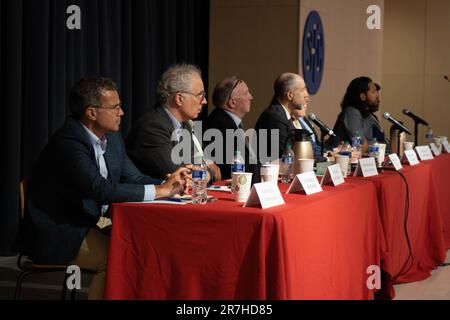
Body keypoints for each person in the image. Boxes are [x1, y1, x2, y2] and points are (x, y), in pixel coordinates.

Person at [21, 77, 189, 300]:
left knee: (147, 247)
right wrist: (162, 192)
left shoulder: (112, 136)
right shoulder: (69, 142)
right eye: (115, 107)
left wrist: (168, 183)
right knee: (115, 260)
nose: (122, 113)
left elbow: (132, 177)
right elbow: (100, 189)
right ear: (91, 113)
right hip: (59, 231)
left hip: (89, 223)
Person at [126, 63, 221, 182]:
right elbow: (179, 175)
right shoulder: (152, 127)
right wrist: (206, 174)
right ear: (179, 98)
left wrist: (204, 172)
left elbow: (200, 167)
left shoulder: (185, 125)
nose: (205, 101)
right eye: (200, 95)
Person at [204, 76, 256, 179]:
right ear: (232, 102)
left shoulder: (227, 121)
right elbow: (230, 170)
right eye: (246, 93)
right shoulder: (220, 126)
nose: (251, 97)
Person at [255, 73, 311, 161]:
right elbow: (288, 153)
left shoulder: (283, 115)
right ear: (290, 95)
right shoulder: (274, 117)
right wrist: (325, 159)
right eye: (303, 89)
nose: (307, 96)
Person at [330, 76, 382, 149]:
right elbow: (361, 145)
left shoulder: (368, 115)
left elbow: (370, 143)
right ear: (363, 96)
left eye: (377, 91)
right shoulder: (351, 112)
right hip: (339, 157)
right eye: (373, 92)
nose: (378, 96)